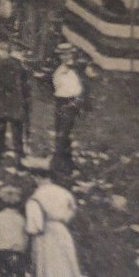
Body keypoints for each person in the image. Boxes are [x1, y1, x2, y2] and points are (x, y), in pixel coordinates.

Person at [26, 170, 97, 277]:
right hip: (63, 234)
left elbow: (35, 226)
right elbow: (71, 212)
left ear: (39, 177)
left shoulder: (36, 197)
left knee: (50, 276)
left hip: (47, 237)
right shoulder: (64, 193)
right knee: (67, 274)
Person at [0, 40, 31, 164]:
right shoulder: (19, 65)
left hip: (0, 104)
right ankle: (19, 156)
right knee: (17, 131)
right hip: (16, 103)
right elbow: (25, 85)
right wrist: (25, 100)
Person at [51, 43, 88, 179]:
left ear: (72, 54)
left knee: (62, 134)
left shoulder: (76, 69)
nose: (64, 57)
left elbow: (82, 89)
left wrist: (76, 103)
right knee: (61, 134)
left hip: (70, 103)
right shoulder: (61, 69)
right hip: (60, 102)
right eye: (62, 55)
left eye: (67, 54)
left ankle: (60, 166)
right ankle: (67, 163)